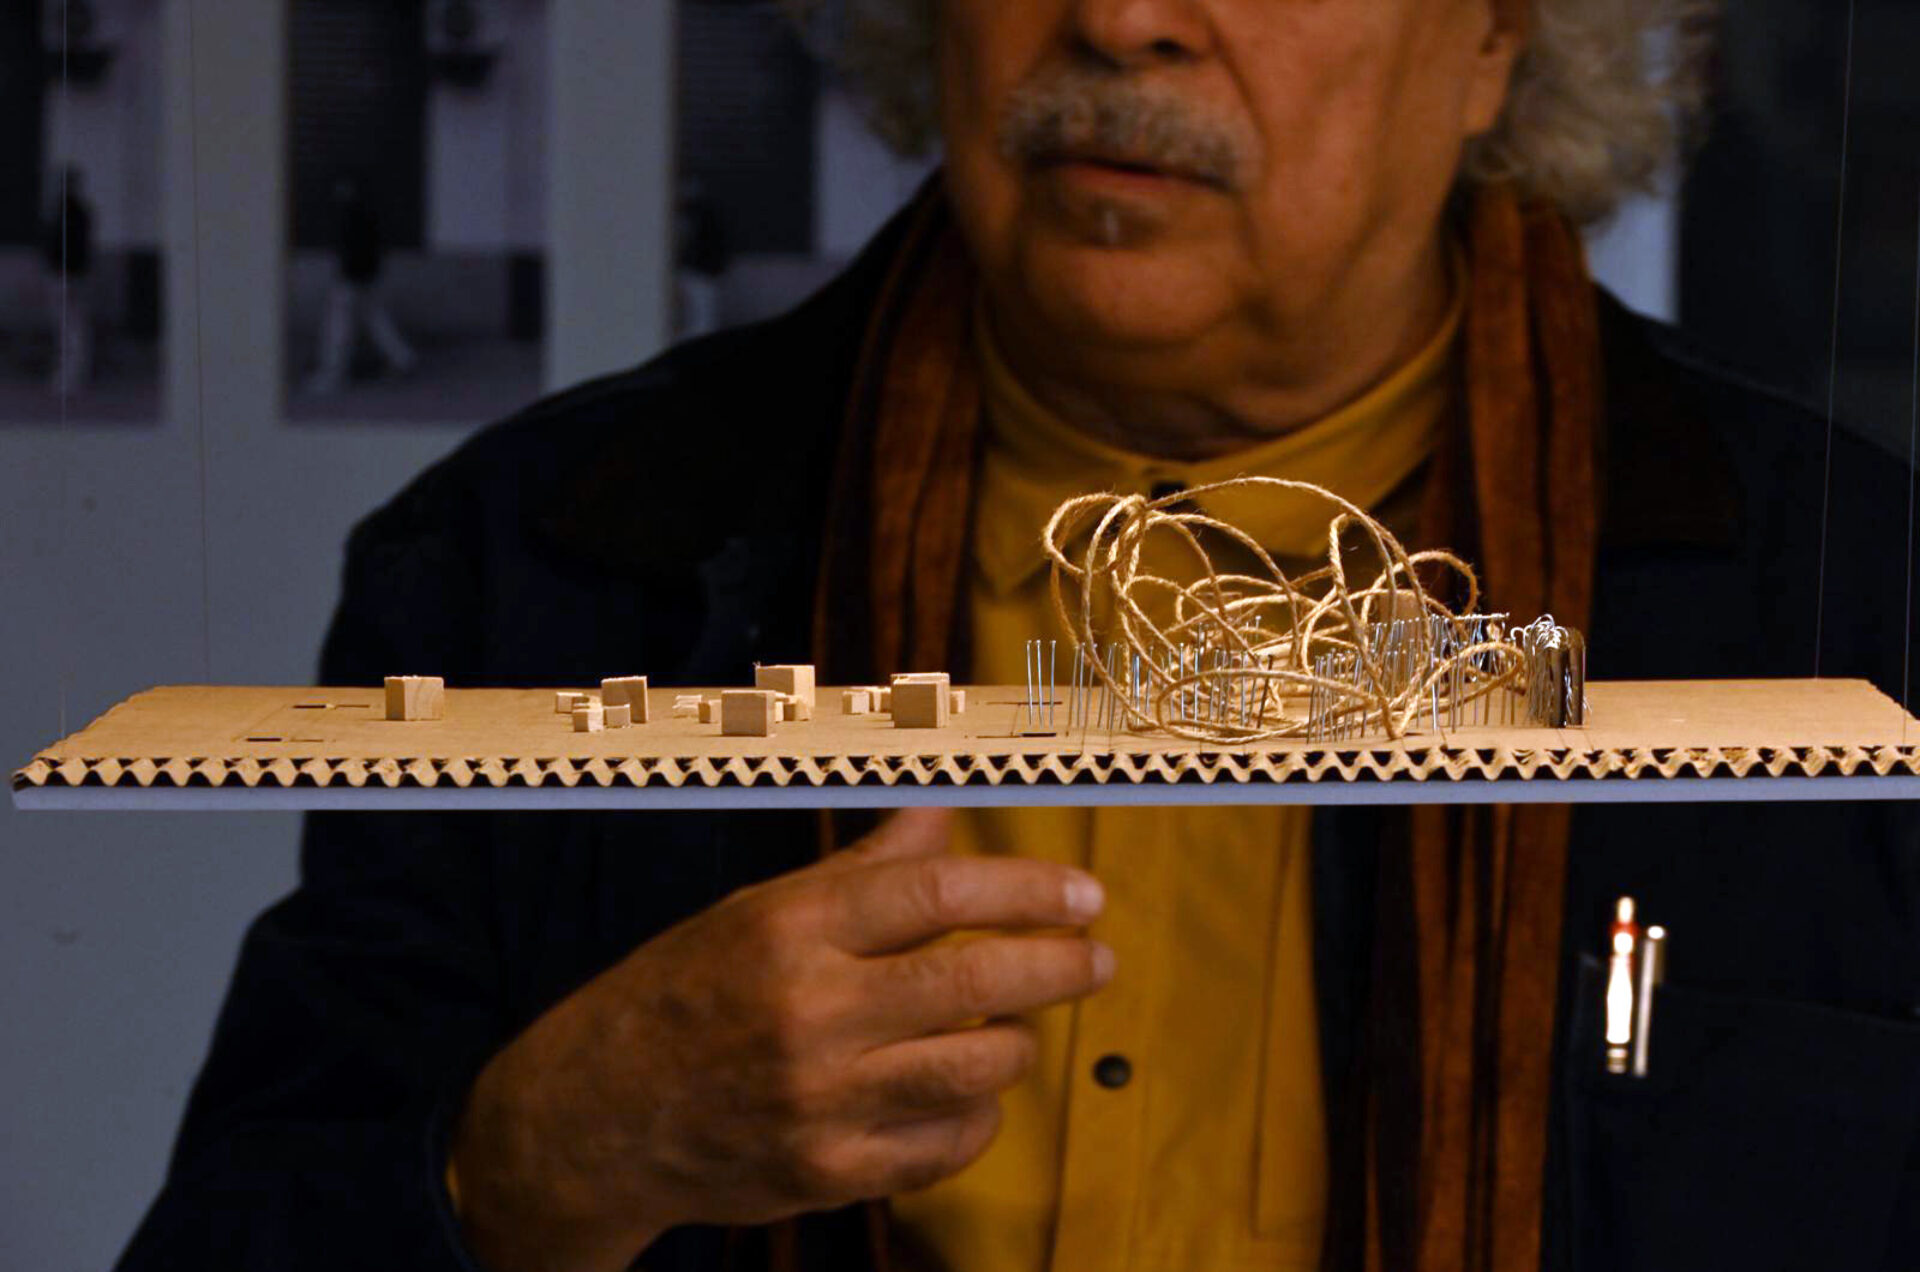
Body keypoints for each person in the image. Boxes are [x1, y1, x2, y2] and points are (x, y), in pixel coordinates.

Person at [120, 3, 1920, 1271]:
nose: (1123, 21)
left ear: (1495, 40)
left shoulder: (1858, 609)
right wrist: (536, 1162)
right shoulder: (537, 562)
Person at [303, 175, 418, 395]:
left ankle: (332, 373)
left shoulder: (350, 216)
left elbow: (351, 251)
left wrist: (345, 274)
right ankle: (403, 358)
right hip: (368, 276)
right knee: (375, 319)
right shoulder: (367, 214)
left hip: (352, 279)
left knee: (339, 326)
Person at [41, 165, 94, 395]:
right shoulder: (75, 211)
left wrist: (63, 270)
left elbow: (65, 246)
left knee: (69, 326)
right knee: (72, 325)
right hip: (71, 274)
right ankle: (72, 373)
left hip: (66, 274)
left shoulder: (67, 212)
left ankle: (71, 376)